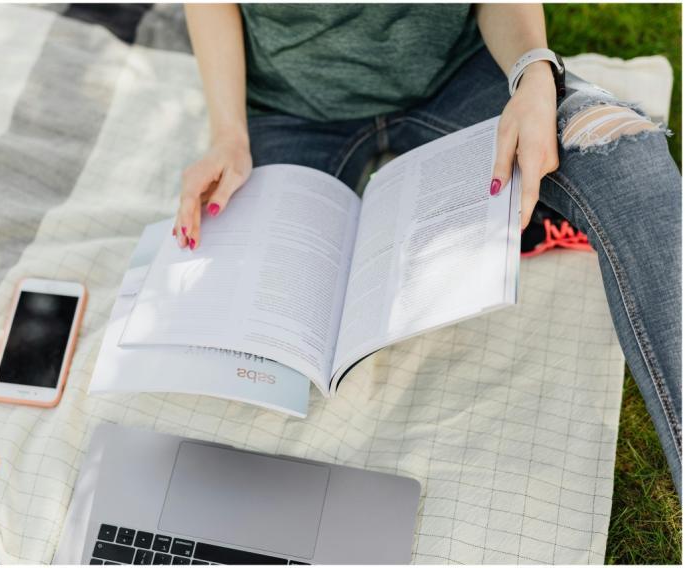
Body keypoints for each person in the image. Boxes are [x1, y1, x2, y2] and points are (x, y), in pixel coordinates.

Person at [172, 3, 682, 496]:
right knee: (259, 346)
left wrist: (533, 74)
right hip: (292, 107)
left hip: (456, 76)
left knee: (625, 154)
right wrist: (228, 136)